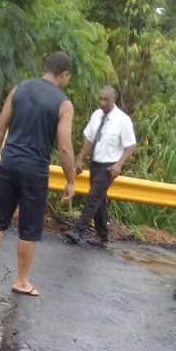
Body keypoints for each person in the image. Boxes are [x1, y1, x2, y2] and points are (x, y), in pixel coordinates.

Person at [0, 52, 76, 297]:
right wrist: (71, 179)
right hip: (35, 171)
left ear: (46, 67)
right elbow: (64, 147)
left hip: (9, 164)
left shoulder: (20, 89)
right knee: (29, 228)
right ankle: (21, 280)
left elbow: (0, 126)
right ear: (64, 75)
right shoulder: (63, 104)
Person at [61, 85, 137, 247]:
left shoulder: (123, 120)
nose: (102, 103)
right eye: (100, 99)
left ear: (113, 100)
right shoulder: (96, 115)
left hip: (109, 166)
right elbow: (89, 139)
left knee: (93, 197)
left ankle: (78, 231)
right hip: (95, 163)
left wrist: (119, 165)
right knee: (99, 200)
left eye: (106, 100)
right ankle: (102, 236)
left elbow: (130, 146)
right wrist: (80, 159)